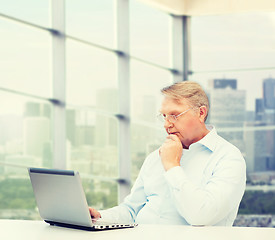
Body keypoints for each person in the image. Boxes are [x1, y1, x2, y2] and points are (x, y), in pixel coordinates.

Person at [90, 81, 246, 226]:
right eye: (164, 116)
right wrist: (99, 216)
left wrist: (172, 166)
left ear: (201, 113)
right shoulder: (155, 157)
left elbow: (201, 216)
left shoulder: (228, 158)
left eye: (174, 115)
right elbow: (131, 210)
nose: (167, 124)